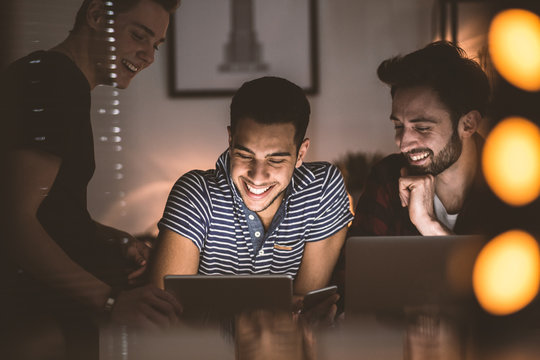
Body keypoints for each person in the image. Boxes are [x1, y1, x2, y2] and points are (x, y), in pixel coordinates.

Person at [0, 0, 182, 358]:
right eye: (138, 36)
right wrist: (112, 301)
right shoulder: (53, 82)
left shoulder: (55, 80)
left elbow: (48, 209)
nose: (147, 56)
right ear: (97, 15)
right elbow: (13, 222)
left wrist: (110, 238)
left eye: (155, 45)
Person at [151, 76, 353, 303]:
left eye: (275, 160)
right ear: (230, 140)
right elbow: (166, 312)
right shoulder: (195, 193)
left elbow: (307, 306)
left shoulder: (322, 189)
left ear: (301, 153)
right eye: (245, 155)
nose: (257, 177)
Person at [349, 41, 500, 237]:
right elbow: (357, 266)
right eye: (398, 126)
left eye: (422, 128)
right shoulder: (387, 179)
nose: (403, 144)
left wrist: (428, 223)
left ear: (468, 124)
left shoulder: (515, 184)